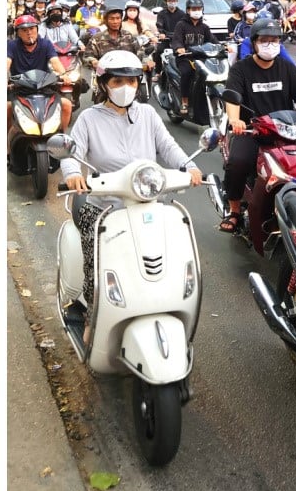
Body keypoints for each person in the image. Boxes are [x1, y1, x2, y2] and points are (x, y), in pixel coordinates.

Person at [59, 52, 204, 306]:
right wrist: (72, 175)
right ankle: (92, 315)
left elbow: (168, 147)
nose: (126, 88)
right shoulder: (89, 119)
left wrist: (189, 166)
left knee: (172, 248)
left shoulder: (147, 114)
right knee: (96, 259)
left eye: (132, 81)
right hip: (103, 205)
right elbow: (72, 152)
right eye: (118, 82)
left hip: (147, 202)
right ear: (104, 84)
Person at [220, 18, 296, 234]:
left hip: (287, 133)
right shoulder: (241, 69)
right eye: (264, 40)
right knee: (238, 162)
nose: (270, 44)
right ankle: (234, 210)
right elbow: (233, 100)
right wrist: (236, 120)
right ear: (254, 42)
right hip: (253, 131)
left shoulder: (288, 68)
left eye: (274, 40)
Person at [8, 14, 73, 130]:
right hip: (19, 88)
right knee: (6, 108)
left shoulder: (46, 44)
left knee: (67, 105)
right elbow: (6, 64)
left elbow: (55, 62)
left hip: (44, 87)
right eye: (24, 30)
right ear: (18, 32)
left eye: (32, 28)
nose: (29, 32)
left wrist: (64, 75)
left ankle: (61, 137)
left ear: (37, 29)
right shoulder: (11, 46)